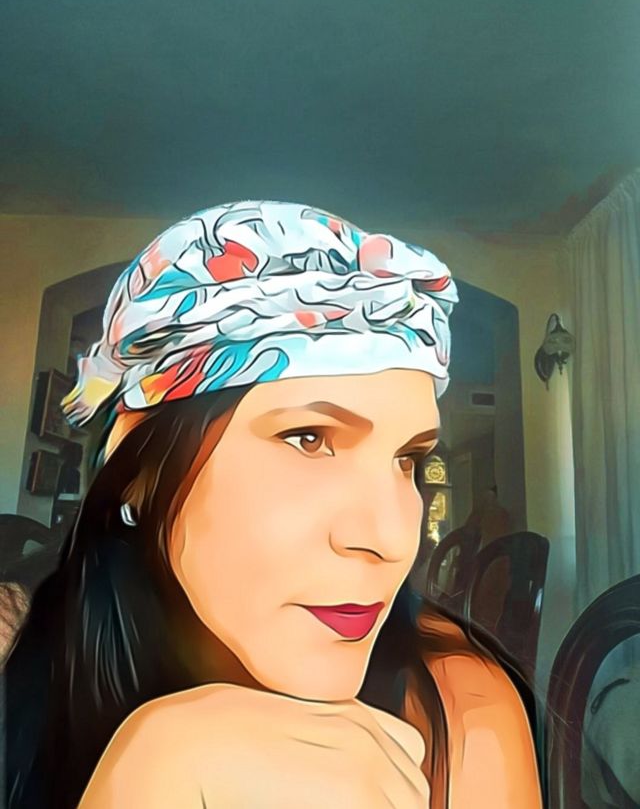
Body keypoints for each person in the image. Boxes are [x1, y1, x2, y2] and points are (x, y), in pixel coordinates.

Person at [5, 201, 542, 808]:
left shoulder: (457, 710)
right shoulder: (14, 649)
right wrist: (149, 776)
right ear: (138, 471)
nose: (392, 539)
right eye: (308, 439)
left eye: (407, 458)